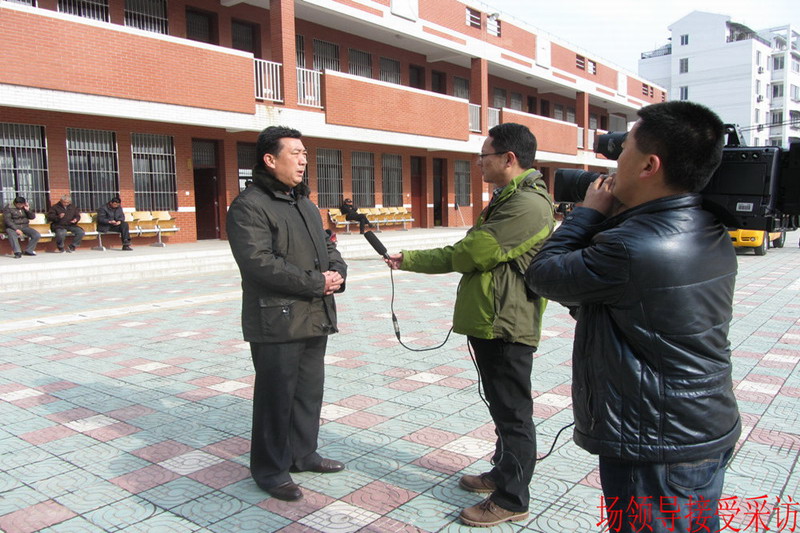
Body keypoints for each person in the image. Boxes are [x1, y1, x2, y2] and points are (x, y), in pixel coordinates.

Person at [525, 101, 740, 533]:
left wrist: (587, 213)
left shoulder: (631, 246)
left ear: (648, 165)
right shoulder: (707, 225)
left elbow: (543, 274)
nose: (613, 164)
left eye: (623, 151)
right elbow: (631, 305)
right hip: (702, 424)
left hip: (656, 444)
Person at [384, 123, 554, 527]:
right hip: (492, 320)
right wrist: (410, 260)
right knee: (500, 405)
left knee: (513, 412)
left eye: (484, 156)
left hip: (507, 324)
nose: (479, 163)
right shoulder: (508, 197)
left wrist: (414, 260)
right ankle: (501, 472)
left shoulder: (528, 205)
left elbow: (473, 252)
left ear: (508, 159)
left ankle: (512, 498)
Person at [226, 126, 348, 502]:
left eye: (305, 153)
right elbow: (259, 263)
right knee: (276, 399)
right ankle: (270, 469)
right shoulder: (249, 206)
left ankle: (302, 454)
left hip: (314, 314)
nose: (303, 160)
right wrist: (316, 282)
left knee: (308, 392)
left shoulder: (304, 203)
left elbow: (327, 246)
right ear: (270, 159)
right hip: (276, 320)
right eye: (295, 153)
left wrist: (337, 273)